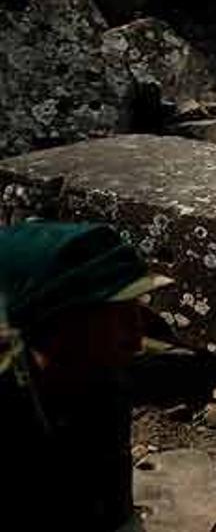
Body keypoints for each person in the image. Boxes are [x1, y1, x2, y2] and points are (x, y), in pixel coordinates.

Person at [0, 220, 171, 531]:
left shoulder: (102, 386)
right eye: (117, 320)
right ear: (52, 326)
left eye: (135, 312)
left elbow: (111, 513)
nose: (135, 339)